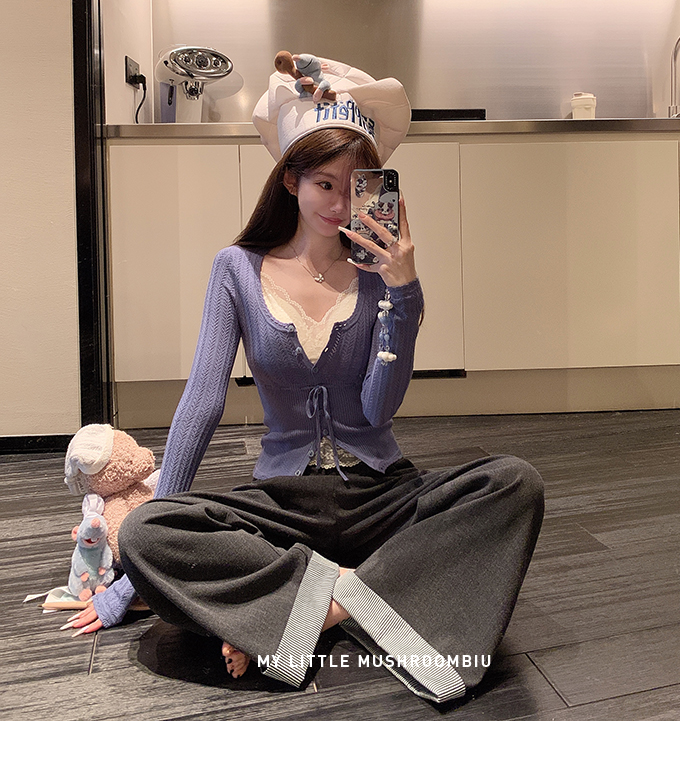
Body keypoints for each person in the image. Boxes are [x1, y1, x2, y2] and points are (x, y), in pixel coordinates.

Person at [65, 54, 544, 703]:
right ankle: (371, 588)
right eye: (324, 183)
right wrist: (132, 570)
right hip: (283, 503)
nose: (341, 204)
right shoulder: (236, 268)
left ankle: (317, 604)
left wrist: (403, 292)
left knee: (513, 482)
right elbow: (203, 401)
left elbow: (377, 410)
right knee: (149, 533)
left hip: (381, 494)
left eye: (355, 186)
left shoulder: (379, 274)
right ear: (290, 180)